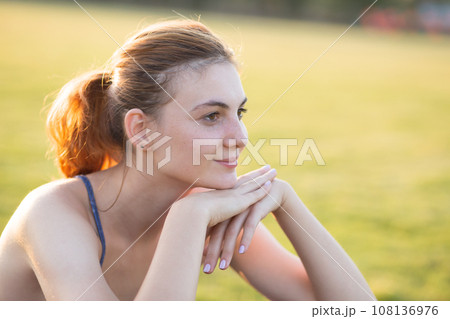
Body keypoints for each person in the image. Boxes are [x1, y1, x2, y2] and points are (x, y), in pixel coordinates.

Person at [0, 19, 375, 301]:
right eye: (212, 116)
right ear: (142, 129)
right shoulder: (51, 215)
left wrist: (287, 202)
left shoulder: (204, 200)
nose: (241, 138)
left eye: (238, 113)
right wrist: (187, 219)